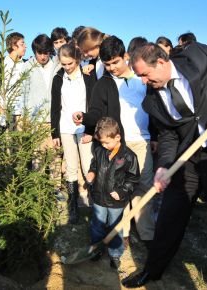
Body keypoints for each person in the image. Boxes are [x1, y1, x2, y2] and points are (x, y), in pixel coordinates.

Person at [121, 28, 207, 290]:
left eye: (145, 75)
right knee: (170, 215)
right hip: (189, 158)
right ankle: (153, 269)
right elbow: (168, 136)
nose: (143, 82)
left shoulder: (200, 56)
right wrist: (164, 166)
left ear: (161, 62)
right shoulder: (153, 100)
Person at [73, 36, 156, 248]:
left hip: (143, 142)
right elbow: (96, 112)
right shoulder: (103, 84)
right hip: (119, 145)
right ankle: (122, 233)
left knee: (143, 187)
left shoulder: (142, 79)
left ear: (126, 57)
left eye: (115, 62)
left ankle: (147, 234)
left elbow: (156, 109)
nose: (112, 68)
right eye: (107, 64)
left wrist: (155, 136)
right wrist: (84, 117)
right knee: (119, 189)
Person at [51, 42, 97, 223]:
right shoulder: (58, 78)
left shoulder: (88, 75)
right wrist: (54, 133)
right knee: (70, 168)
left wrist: (91, 129)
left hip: (85, 128)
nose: (67, 67)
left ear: (77, 60)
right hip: (65, 129)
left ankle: (97, 206)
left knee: (87, 167)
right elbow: (55, 107)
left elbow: (93, 104)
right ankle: (73, 209)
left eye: (70, 63)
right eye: (64, 64)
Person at [86, 117, 140, 270]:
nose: (104, 145)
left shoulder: (129, 156)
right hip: (98, 197)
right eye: (101, 142)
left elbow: (134, 178)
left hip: (116, 201)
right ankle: (96, 249)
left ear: (117, 137)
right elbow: (94, 165)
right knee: (97, 225)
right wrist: (92, 172)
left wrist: (122, 191)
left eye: (107, 142)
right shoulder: (99, 151)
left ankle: (115, 254)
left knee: (115, 227)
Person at [22, 34, 62, 196]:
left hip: (54, 119)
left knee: (55, 156)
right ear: (35, 52)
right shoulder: (28, 67)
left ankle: (56, 188)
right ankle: (38, 190)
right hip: (36, 120)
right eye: (40, 53)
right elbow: (24, 93)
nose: (43, 56)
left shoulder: (57, 65)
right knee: (37, 156)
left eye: (46, 52)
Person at [1, 32, 27, 118]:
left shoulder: (26, 64)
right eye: (22, 44)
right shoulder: (1, 64)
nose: (25, 46)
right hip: (6, 113)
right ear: (14, 46)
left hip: (22, 114)